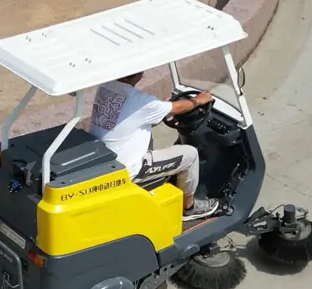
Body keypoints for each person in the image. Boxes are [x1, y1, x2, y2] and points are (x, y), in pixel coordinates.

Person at [88, 71, 219, 221]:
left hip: (107, 159)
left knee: (149, 134)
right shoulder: (142, 101)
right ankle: (189, 207)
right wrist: (198, 100)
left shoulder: (105, 86)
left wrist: (161, 106)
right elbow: (176, 108)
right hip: (129, 169)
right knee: (190, 154)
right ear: (140, 74)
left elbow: (142, 114)